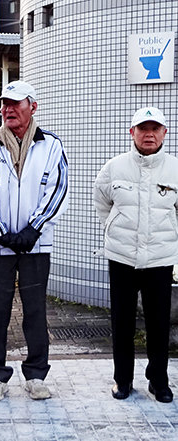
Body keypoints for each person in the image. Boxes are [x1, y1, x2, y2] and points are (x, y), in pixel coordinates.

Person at [0, 80, 69, 401]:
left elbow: (57, 190)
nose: (8, 109)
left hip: (36, 247)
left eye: (15, 104)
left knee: (35, 310)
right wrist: (1, 233)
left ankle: (36, 374)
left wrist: (32, 230)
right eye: (4, 104)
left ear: (33, 107)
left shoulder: (51, 146)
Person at [94, 107, 178, 403]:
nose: (149, 134)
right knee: (122, 321)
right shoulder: (115, 167)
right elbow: (102, 200)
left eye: (155, 128)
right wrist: (116, 227)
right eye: (143, 128)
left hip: (159, 258)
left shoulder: (174, 168)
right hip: (122, 257)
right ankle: (122, 381)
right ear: (132, 133)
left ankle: (159, 381)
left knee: (159, 322)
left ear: (164, 133)